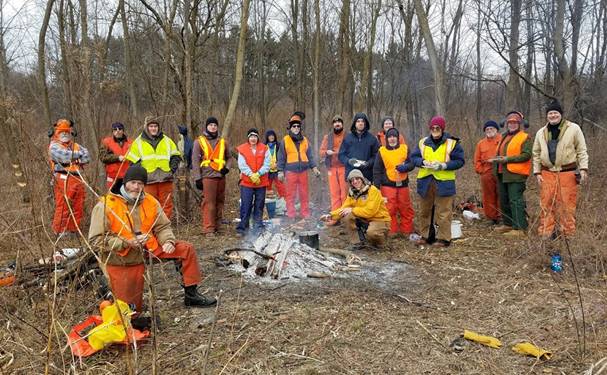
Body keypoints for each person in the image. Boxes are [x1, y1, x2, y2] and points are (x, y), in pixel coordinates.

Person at [88, 164, 216, 311]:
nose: (136, 187)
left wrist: (168, 241)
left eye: (141, 183)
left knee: (186, 250)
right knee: (130, 310)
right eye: (133, 183)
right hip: (123, 258)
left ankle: (191, 295)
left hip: (149, 248)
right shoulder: (105, 205)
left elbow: (162, 226)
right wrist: (126, 243)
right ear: (125, 183)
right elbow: (95, 240)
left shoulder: (150, 201)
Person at [532, 100, 589, 239]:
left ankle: (567, 234)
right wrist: (537, 172)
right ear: (547, 116)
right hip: (547, 173)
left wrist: (583, 169)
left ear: (561, 114)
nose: (553, 115)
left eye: (555, 113)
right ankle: (546, 232)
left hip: (567, 172)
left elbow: (581, 150)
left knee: (567, 204)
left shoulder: (573, 128)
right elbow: (536, 153)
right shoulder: (541, 132)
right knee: (546, 203)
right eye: (550, 113)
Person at [410, 116, 465, 247]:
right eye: (433, 128)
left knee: (444, 211)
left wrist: (444, 166)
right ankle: (426, 236)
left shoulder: (452, 143)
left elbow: (460, 161)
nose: (435, 130)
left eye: (437, 128)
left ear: (442, 129)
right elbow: (414, 157)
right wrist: (422, 162)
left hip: (444, 182)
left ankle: (444, 239)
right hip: (425, 182)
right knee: (425, 211)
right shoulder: (423, 142)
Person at [320, 169, 390, 249]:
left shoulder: (373, 190)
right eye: (352, 180)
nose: (355, 182)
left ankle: (381, 244)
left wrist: (352, 210)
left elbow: (371, 211)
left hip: (380, 219)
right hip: (366, 219)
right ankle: (357, 243)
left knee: (372, 233)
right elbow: (344, 208)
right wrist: (330, 215)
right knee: (347, 215)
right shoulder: (352, 193)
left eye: (357, 179)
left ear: (362, 179)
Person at [126, 118, 181, 218]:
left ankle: (164, 228)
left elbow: (176, 156)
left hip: (165, 177)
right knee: (148, 205)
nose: (153, 128)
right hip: (148, 179)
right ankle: (150, 228)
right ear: (147, 128)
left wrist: (171, 170)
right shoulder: (138, 142)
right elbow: (133, 161)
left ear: (158, 128)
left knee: (166, 205)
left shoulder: (167, 140)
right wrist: (141, 175)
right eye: (151, 126)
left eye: (155, 126)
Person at [491, 111, 532, 237]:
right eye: (510, 122)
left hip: (516, 174)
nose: (512, 125)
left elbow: (526, 155)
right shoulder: (503, 136)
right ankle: (508, 224)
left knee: (515, 200)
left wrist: (508, 159)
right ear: (506, 124)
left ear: (520, 124)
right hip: (502, 173)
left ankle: (520, 228)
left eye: (515, 123)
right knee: (504, 200)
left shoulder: (525, 137)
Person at [48, 119, 91, 236]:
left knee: (78, 204)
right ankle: (59, 231)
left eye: (67, 131)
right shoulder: (54, 146)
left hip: (77, 176)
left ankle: (74, 229)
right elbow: (64, 157)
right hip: (63, 177)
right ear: (56, 132)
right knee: (63, 205)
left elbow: (87, 157)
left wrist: (74, 157)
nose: (65, 134)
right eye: (61, 131)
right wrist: (77, 157)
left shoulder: (76, 145)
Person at [277, 112, 321, 220]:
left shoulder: (305, 140)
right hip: (290, 172)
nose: (296, 128)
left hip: (303, 172)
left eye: (298, 126)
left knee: (304, 194)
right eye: (294, 126)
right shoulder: (285, 140)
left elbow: (310, 155)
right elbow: (281, 157)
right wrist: (280, 171)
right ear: (290, 128)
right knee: (290, 195)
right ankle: (291, 215)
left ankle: (305, 214)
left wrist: (314, 168)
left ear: (300, 128)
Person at [191, 116, 231, 235]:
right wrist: (197, 178)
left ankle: (218, 226)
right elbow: (195, 161)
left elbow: (229, 157)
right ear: (206, 127)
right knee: (209, 203)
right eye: (211, 125)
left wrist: (227, 169)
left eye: (215, 125)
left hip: (221, 176)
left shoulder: (223, 141)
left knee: (220, 202)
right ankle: (209, 228)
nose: (213, 127)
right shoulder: (199, 141)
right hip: (207, 176)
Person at [373, 128, 415, 236]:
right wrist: (377, 187)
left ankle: (407, 231)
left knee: (405, 208)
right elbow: (377, 170)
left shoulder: (404, 148)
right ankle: (392, 231)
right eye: (390, 137)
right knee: (389, 209)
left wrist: (404, 167)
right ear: (386, 139)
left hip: (403, 184)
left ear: (398, 138)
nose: (392, 139)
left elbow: (412, 164)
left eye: (394, 136)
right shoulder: (382, 151)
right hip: (387, 185)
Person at [236, 128, 271, 235]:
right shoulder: (242, 149)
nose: (253, 138)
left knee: (259, 204)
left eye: (255, 136)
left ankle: (258, 226)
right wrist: (251, 175)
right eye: (251, 136)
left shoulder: (265, 148)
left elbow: (267, 164)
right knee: (246, 205)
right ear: (248, 138)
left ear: (258, 137)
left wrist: (258, 174)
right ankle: (242, 227)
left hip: (261, 182)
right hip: (247, 182)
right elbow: (242, 165)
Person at [473, 120, 502, 224]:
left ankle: (501, 217)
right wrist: (481, 171)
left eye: (492, 128)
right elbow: (476, 160)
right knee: (488, 195)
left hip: (500, 171)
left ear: (496, 130)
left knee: (501, 194)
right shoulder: (481, 143)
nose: (489, 131)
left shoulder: (502, 140)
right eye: (487, 129)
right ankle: (491, 217)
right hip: (487, 172)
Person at [319, 115, 348, 217]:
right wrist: (327, 152)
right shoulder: (328, 137)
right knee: (334, 194)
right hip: (331, 168)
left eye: (339, 122)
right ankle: (336, 216)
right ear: (333, 125)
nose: (337, 124)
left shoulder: (347, 136)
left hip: (344, 167)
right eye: (335, 122)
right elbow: (321, 152)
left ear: (342, 124)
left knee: (344, 193)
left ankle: (345, 217)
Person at [338, 113, 380, 183]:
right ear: (354, 123)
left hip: (367, 176)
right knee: (351, 194)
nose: (360, 123)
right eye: (358, 121)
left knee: (368, 193)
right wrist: (348, 161)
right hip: (351, 176)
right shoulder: (347, 138)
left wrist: (368, 163)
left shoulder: (372, 139)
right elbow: (341, 155)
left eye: (362, 121)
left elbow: (376, 156)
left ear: (365, 123)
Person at [100, 122, 132, 189]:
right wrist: (117, 158)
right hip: (113, 176)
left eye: (120, 129)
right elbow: (103, 157)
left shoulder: (130, 142)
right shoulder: (106, 142)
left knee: (127, 197)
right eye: (115, 129)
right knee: (113, 197)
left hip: (128, 176)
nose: (118, 131)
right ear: (112, 131)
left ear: (123, 130)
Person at [264, 129, 285, 218]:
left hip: (277, 170)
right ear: (267, 137)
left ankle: (284, 205)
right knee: (267, 188)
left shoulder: (279, 145)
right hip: (268, 171)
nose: (271, 137)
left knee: (281, 187)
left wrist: (279, 164)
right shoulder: (264, 146)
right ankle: (268, 207)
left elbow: (283, 156)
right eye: (269, 136)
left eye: (272, 135)